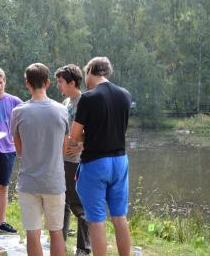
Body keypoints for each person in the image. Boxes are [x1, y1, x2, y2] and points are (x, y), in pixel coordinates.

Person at [71, 57, 132, 256]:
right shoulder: (125, 95)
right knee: (119, 216)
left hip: (96, 163)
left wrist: (90, 136)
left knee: (97, 220)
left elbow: (74, 136)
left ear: (90, 71)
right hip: (120, 161)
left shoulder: (88, 98)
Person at [11, 63, 68, 256]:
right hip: (54, 181)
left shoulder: (18, 112)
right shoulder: (62, 110)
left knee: (33, 234)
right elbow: (64, 148)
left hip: (28, 181)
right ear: (48, 83)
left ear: (27, 83)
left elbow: (19, 151)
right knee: (56, 232)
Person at [55, 64, 91, 256]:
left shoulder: (85, 101)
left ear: (71, 82)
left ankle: (83, 248)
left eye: (60, 82)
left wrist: (82, 146)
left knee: (79, 205)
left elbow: (95, 132)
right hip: (63, 160)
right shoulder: (66, 102)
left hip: (77, 161)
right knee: (63, 202)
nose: (58, 86)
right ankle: (60, 241)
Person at [0, 68, 22, 234]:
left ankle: (1, 222)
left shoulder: (15, 101)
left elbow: (25, 121)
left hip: (9, 149)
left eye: (1, 82)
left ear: (5, 82)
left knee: (4, 186)